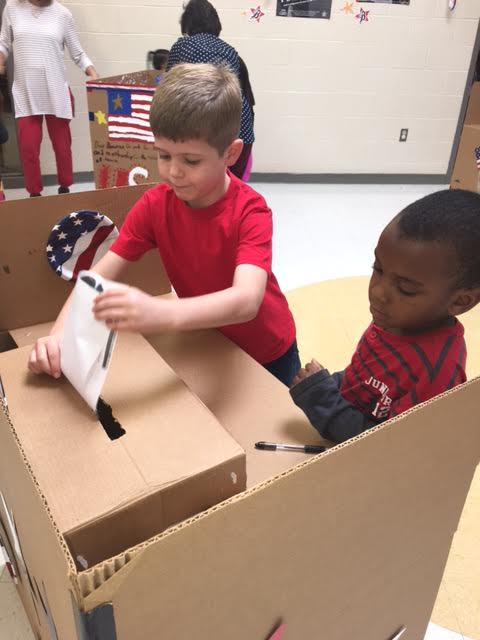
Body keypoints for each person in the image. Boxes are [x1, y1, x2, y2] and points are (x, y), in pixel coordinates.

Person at [28, 63, 299, 387]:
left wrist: (159, 313)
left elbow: (246, 300)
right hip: (210, 342)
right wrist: (58, 335)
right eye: (164, 155)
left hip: (268, 351)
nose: (173, 172)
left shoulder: (250, 211)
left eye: (191, 160)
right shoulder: (155, 205)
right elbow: (98, 276)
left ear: (230, 153)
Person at [290, 189, 480, 444]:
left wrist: (321, 398)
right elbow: (365, 380)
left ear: (459, 301)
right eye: (378, 269)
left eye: (406, 289)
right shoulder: (397, 317)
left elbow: (388, 447)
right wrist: (327, 384)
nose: (378, 293)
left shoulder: (438, 374)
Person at [0, 0, 98, 197]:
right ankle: (34, 195)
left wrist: (93, 74)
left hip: (57, 93)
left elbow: (78, 53)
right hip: (26, 94)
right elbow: (3, 43)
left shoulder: (63, 14)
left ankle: (65, 188)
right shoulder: (12, 8)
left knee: (62, 148)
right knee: (28, 149)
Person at [167, 0, 254, 181]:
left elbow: (168, 90)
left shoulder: (182, 46)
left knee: (198, 186)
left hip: (201, 128)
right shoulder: (230, 51)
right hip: (240, 128)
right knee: (230, 185)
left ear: (187, 23)